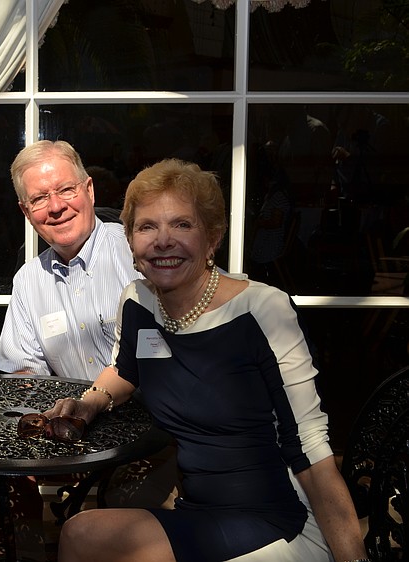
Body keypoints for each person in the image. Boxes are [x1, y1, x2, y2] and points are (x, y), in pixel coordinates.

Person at [44, 158, 369, 562]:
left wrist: (352, 558)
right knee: (79, 533)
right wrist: (89, 402)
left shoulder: (262, 310)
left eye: (182, 224)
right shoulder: (139, 302)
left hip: (276, 517)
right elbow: (126, 370)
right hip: (200, 511)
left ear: (212, 238)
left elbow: (313, 452)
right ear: (129, 239)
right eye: (147, 226)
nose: (163, 241)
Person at [0, 140, 142, 381]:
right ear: (26, 212)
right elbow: (24, 374)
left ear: (90, 190)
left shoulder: (137, 251)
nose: (55, 206)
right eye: (40, 198)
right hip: (72, 417)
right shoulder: (28, 281)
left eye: (65, 190)